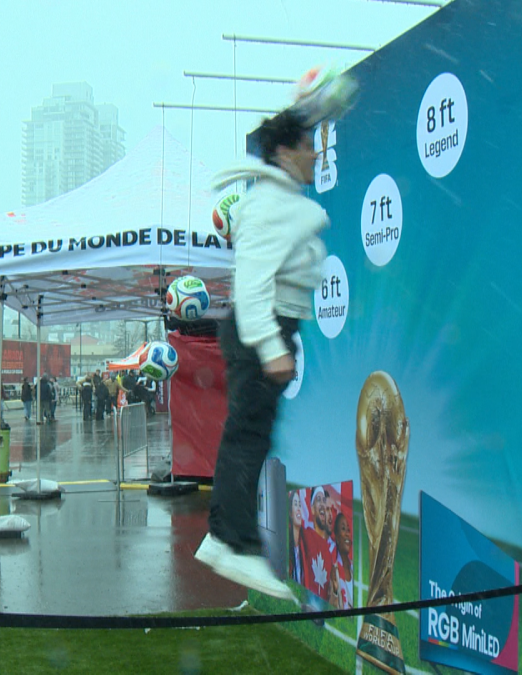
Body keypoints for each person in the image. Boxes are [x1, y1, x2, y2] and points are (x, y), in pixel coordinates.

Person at [194, 109, 327, 601]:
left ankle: (228, 538)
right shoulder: (272, 205)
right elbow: (251, 285)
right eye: (308, 145)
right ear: (285, 152)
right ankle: (232, 541)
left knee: (250, 436)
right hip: (262, 326)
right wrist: (271, 347)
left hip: (268, 326)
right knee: (247, 438)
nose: (316, 154)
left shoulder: (278, 201)